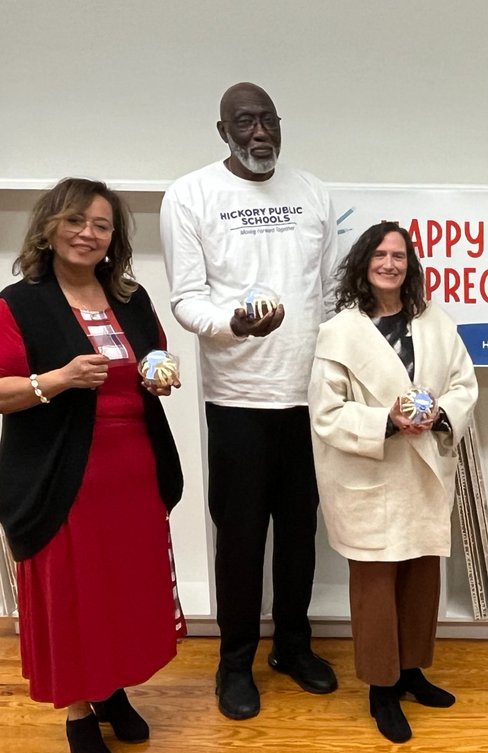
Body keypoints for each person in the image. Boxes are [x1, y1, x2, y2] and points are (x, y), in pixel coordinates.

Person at [160, 82, 339, 719]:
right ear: (222, 131)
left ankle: (292, 645)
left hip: (309, 397)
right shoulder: (190, 194)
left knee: (299, 532)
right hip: (237, 398)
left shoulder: (313, 192)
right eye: (244, 122)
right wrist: (236, 324)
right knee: (239, 539)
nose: (259, 132)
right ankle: (235, 662)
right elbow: (185, 298)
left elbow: (330, 296)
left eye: (268, 120)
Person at [0, 178, 183, 753]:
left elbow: (155, 359)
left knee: (124, 590)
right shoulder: (17, 303)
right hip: (64, 477)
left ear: (114, 240)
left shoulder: (130, 298)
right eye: (76, 221)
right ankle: (80, 711)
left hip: (132, 469)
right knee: (77, 594)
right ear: (50, 227)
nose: (88, 234)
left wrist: (161, 376)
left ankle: (112, 689)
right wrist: (57, 380)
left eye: (101, 226)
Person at [309, 222, 477, 742]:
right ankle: (381, 688)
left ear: (410, 264)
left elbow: (464, 385)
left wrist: (440, 414)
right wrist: (388, 420)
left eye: (399, 256)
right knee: (377, 585)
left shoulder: (435, 322)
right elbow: (326, 411)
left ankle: (411, 673)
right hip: (372, 470)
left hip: (423, 467)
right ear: (363, 263)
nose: (389, 264)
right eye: (379, 255)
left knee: (423, 578)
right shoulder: (340, 331)